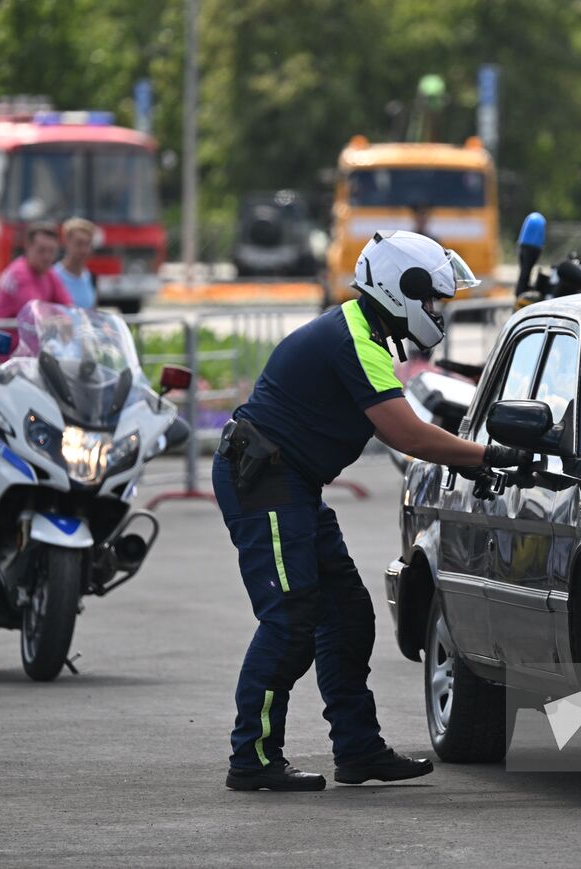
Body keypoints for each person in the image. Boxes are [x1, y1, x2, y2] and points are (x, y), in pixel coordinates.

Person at [214, 231, 526, 792]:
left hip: (293, 482)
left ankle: (358, 750)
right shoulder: (353, 337)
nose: (435, 311)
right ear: (400, 289)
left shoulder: (364, 334)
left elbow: (407, 429)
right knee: (289, 618)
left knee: (348, 615)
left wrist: (472, 458)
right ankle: (253, 757)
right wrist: (488, 455)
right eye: (430, 298)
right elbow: (405, 433)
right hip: (265, 478)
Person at [0, 224, 75, 349]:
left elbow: (68, 307)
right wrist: (62, 322)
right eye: (41, 250)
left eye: (52, 251)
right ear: (28, 247)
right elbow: (35, 312)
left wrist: (73, 319)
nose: (47, 257)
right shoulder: (19, 273)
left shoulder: (48, 273)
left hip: (14, 353)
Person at [55, 217, 97, 309]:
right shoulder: (53, 275)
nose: (84, 250)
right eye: (79, 244)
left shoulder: (91, 277)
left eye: (87, 244)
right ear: (66, 242)